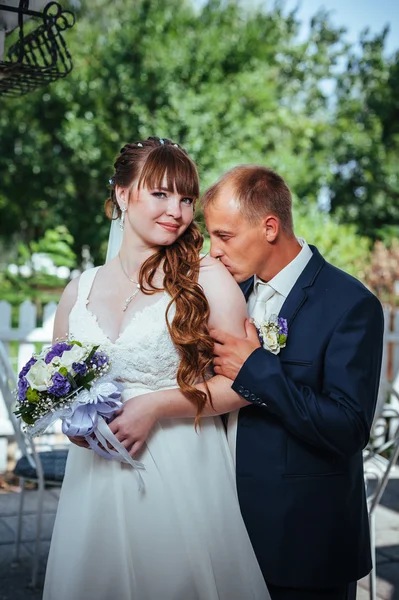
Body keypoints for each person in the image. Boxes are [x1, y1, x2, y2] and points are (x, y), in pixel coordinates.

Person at [114, 165, 385, 600]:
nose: (213, 251)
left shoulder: (351, 305)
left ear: (270, 227)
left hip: (302, 542)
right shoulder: (229, 294)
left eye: (225, 236)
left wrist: (258, 369)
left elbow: (348, 429)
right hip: (221, 530)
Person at [43, 139, 271, 600]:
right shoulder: (78, 290)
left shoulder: (207, 280)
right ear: (123, 195)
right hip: (96, 474)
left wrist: (156, 407)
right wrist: (74, 426)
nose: (177, 211)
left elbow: (244, 383)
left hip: (180, 467)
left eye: (187, 198)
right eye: (161, 194)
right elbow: (59, 388)